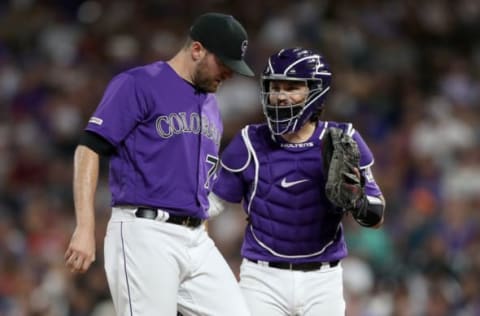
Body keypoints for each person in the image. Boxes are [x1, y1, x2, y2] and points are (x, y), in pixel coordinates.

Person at [64, 12, 254, 316]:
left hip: (195, 239)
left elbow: (199, 176)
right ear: (196, 50)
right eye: (225, 64)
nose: (229, 74)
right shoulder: (139, 83)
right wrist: (85, 227)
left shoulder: (211, 105)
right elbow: (88, 149)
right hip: (145, 233)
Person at [209, 47, 386, 315]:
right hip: (261, 278)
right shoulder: (249, 141)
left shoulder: (343, 139)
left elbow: (377, 215)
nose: (280, 96)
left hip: (322, 280)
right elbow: (211, 205)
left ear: (316, 91)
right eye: (274, 87)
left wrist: (358, 200)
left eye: (291, 88)